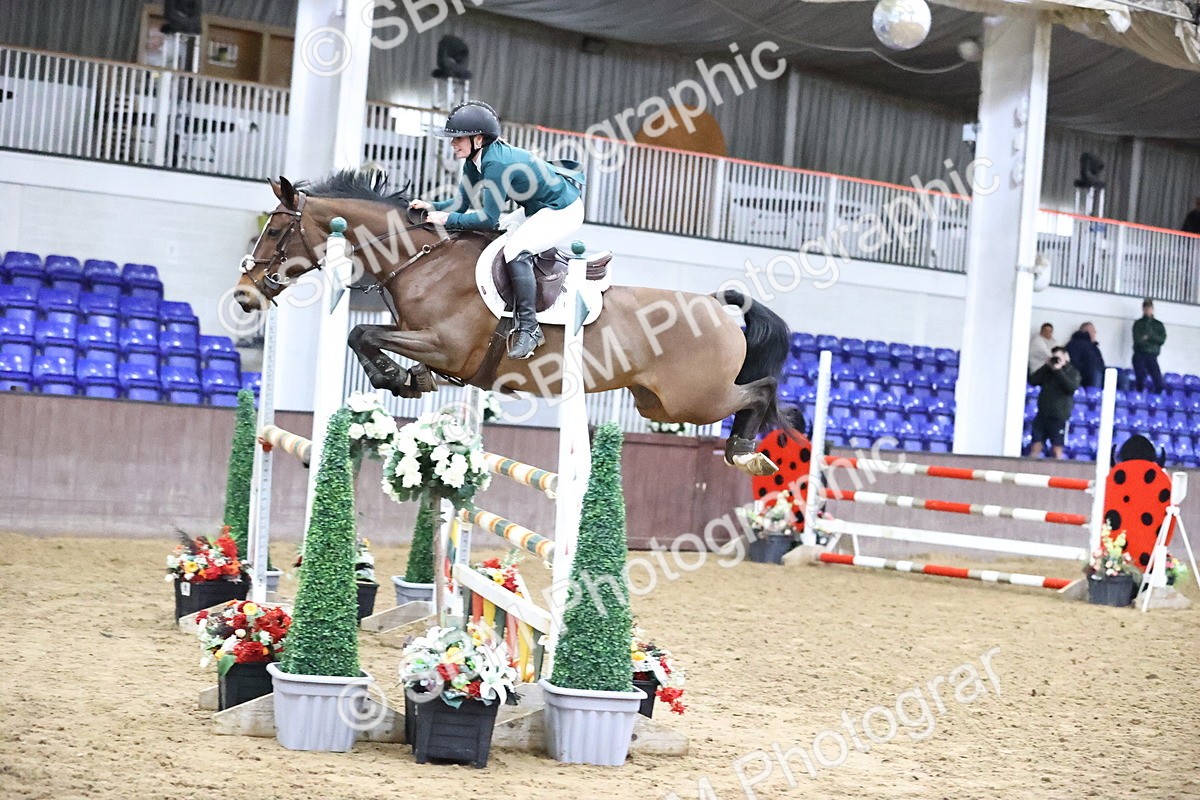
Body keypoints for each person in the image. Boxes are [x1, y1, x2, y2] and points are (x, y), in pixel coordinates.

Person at [409, 101, 584, 360]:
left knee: (515, 250)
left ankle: (530, 328)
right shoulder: (473, 161)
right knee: (500, 235)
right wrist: (431, 206)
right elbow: (461, 204)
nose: (452, 144)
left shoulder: (495, 163)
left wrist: (448, 219)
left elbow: (488, 219)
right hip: (536, 208)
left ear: (478, 139)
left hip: (563, 210)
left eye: (458, 138)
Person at [1028, 347, 1081, 459]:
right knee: (1036, 445)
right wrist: (1046, 366)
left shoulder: (1072, 372)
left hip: (1059, 417)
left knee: (1056, 449)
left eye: (1058, 358)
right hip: (1042, 415)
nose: (1056, 360)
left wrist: (1058, 370)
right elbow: (1033, 380)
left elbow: (1071, 387)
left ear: (1066, 357)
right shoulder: (1047, 371)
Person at [1132, 298, 1167, 393]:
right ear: (1143, 309)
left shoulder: (1158, 325)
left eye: (1149, 308)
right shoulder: (1138, 324)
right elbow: (1138, 340)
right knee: (1140, 380)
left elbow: (1162, 340)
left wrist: (1149, 337)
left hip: (1152, 355)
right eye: (1146, 308)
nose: (1147, 310)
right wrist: (1153, 340)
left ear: (1152, 309)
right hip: (1139, 354)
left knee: (1158, 381)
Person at [1064, 322, 1105, 388]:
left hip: (1098, 372)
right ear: (1085, 331)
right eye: (1092, 330)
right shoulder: (1074, 344)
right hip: (1083, 375)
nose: (1095, 332)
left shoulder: (1094, 347)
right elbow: (1073, 363)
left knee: (1117, 373)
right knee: (1096, 374)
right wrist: (1088, 369)